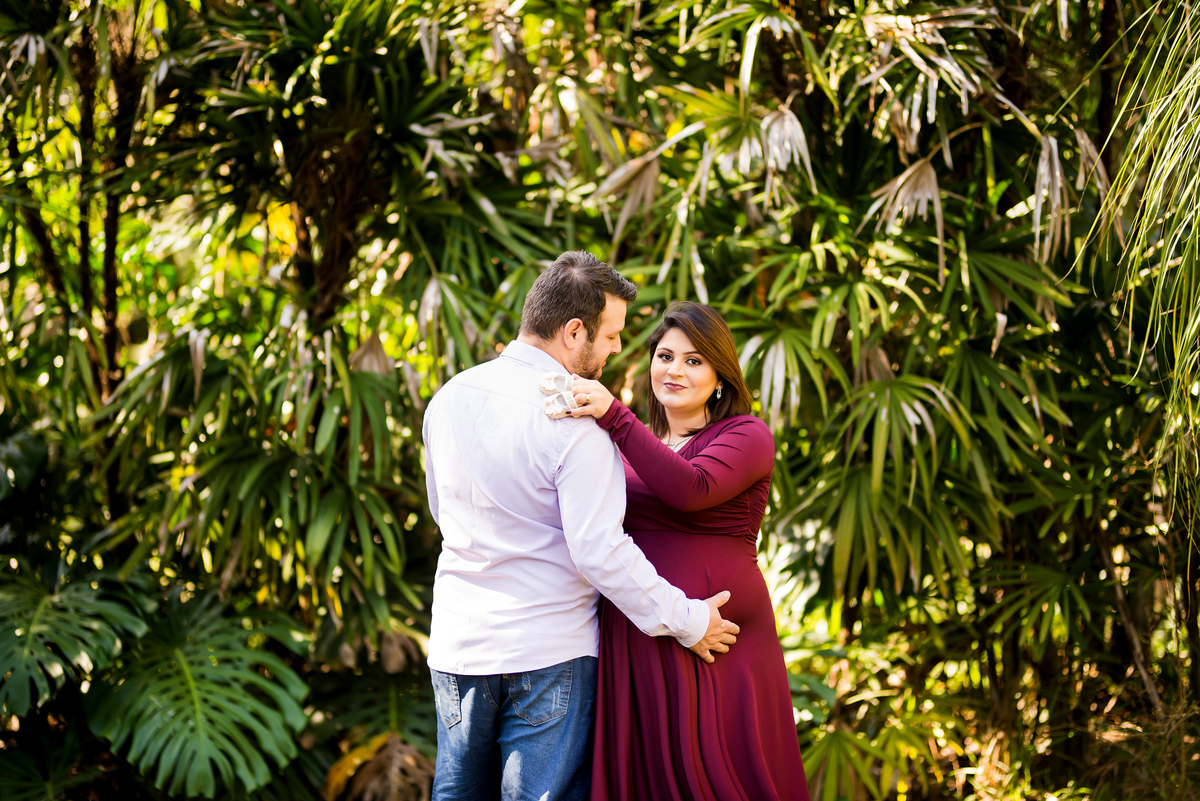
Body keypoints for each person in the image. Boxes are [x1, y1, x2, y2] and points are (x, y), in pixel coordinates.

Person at [421, 252, 741, 801]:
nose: (617, 349)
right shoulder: (573, 421)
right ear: (574, 332)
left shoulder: (449, 398)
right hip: (548, 654)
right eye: (612, 335)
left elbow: (442, 512)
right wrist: (687, 619)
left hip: (459, 646)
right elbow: (600, 552)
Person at [564, 301, 811, 800]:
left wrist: (615, 415)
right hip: (644, 629)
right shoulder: (633, 445)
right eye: (665, 355)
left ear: (720, 376)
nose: (674, 369)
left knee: (722, 776)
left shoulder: (747, 435)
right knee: (652, 773)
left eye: (694, 360)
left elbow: (691, 489)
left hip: (722, 640)